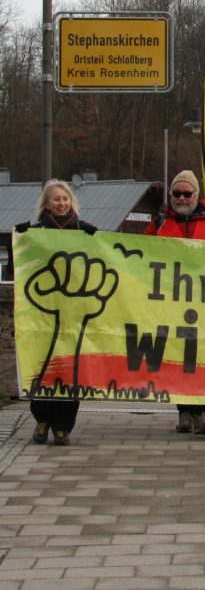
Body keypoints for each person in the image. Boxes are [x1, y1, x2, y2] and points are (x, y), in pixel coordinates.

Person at [147, 169, 205, 435]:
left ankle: (202, 413)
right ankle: (184, 411)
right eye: (177, 193)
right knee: (176, 356)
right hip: (170, 302)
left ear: (197, 195)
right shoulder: (161, 220)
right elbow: (140, 250)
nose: (182, 198)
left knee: (203, 358)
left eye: (187, 193)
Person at [18, 179, 97, 446]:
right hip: (43, 313)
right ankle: (42, 419)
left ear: (71, 201)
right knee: (43, 366)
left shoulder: (85, 232)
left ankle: (63, 425)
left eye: (65, 199)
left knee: (70, 368)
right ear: (47, 204)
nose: (61, 203)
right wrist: (18, 241)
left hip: (73, 313)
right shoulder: (35, 232)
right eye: (56, 199)